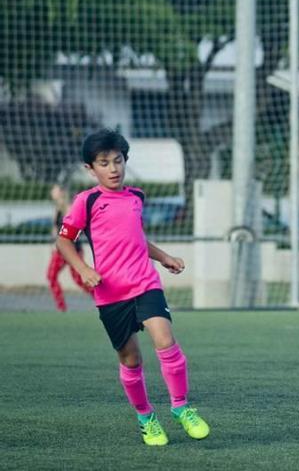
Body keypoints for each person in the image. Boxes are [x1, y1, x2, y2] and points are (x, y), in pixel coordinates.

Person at [55, 129, 210, 446]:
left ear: (125, 161)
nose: (113, 168)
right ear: (90, 168)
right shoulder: (87, 201)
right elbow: (64, 241)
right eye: (104, 163)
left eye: (118, 160)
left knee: (165, 340)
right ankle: (146, 418)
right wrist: (84, 269)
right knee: (131, 360)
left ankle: (181, 407)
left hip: (145, 283)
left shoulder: (136, 197)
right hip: (111, 293)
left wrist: (164, 257)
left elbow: (136, 238)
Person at [46, 184, 89, 312]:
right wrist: (54, 246)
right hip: (60, 251)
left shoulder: (70, 207)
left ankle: (101, 298)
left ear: (61, 192)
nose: (53, 192)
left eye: (55, 190)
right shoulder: (57, 209)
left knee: (79, 279)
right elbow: (55, 230)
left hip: (72, 249)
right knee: (51, 276)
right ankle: (61, 308)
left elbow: (76, 228)